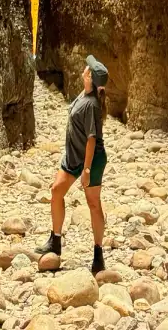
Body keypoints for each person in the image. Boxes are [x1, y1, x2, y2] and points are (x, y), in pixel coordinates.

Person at [37, 53, 110, 274]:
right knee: (57, 191)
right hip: (73, 156)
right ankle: (55, 241)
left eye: (88, 69)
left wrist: (87, 170)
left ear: (91, 78)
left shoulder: (92, 105)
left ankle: (98, 255)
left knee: (93, 204)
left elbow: (91, 140)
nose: (85, 69)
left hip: (91, 159)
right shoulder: (85, 93)